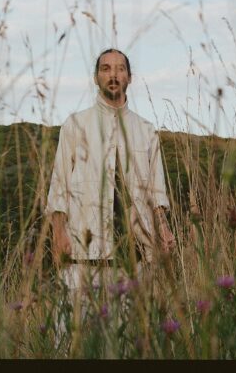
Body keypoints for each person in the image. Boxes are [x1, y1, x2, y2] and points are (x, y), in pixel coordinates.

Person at [46, 48, 175, 302]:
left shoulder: (146, 131)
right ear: (96, 78)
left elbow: (157, 193)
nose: (113, 75)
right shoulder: (75, 125)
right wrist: (58, 233)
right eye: (105, 69)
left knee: (133, 328)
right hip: (81, 259)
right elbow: (59, 184)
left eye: (120, 69)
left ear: (129, 77)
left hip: (135, 262)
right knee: (77, 328)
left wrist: (163, 228)